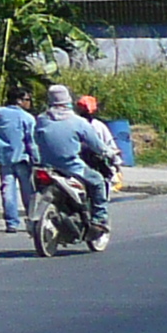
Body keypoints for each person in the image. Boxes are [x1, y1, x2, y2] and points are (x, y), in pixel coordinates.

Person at [32, 83, 112, 238]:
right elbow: (96, 145)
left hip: (45, 167)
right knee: (98, 181)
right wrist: (110, 153)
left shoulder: (41, 120)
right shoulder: (78, 122)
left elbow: (35, 139)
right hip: (72, 167)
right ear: (68, 100)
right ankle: (99, 219)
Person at [0, 83, 40, 232]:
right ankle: (32, 219)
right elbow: (31, 142)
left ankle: (11, 223)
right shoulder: (28, 118)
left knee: (7, 191)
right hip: (22, 159)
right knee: (28, 192)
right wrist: (37, 159)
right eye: (27, 99)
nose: (29, 102)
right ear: (19, 100)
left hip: (4, 158)